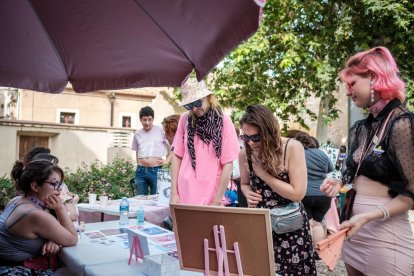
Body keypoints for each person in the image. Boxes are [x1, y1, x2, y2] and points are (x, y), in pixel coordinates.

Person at [320, 46, 414, 275]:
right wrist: (337, 179)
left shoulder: (401, 123)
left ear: (374, 78)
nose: (347, 92)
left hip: (384, 236)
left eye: (352, 84)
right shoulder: (360, 128)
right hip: (353, 233)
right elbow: (353, 173)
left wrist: (370, 216)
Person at [238, 105, 316, 275]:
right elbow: (244, 183)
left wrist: (263, 175)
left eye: (256, 137)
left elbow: (298, 193)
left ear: (269, 132)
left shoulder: (292, 147)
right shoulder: (245, 153)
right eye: (245, 137)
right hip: (259, 225)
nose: (251, 142)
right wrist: (247, 193)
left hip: (290, 227)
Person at [0, 160, 78, 275]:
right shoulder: (34, 214)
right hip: (14, 270)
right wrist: (60, 207)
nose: (60, 189)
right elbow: (72, 239)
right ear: (35, 186)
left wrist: (53, 239)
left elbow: (48, 229)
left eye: (60, 184)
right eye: (54, 184)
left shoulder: (16, 200)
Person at [170, 79, 240, 206]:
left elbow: (228, 163)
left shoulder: (224, 121)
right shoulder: (184, 119)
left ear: (208, 97)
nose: (195, 108)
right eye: (189, 105)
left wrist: (218, 199)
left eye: (197, 102)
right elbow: (177, 155)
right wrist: (174, 192)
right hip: (185, 190)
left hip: (212, 192)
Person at [295, 132, 333, 247]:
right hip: (324, 194)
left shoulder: (298, 154)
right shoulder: (322, 153)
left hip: (305, 193)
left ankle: (308, 251)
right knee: (317, 223)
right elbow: (330, 169)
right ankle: (318, 251)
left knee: (308, 224)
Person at [131, 106, 168, 195]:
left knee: (156, 200)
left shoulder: (160, 130)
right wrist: (139, 164)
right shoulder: (137, 133)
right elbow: (137, 151)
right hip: (140, 171)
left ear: (153, 119)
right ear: (140, 120)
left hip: (156, 170)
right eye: (144, 120)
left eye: (150, 119)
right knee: (140, 199)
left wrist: (167, 161)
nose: (147, 122)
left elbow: (173, 146)